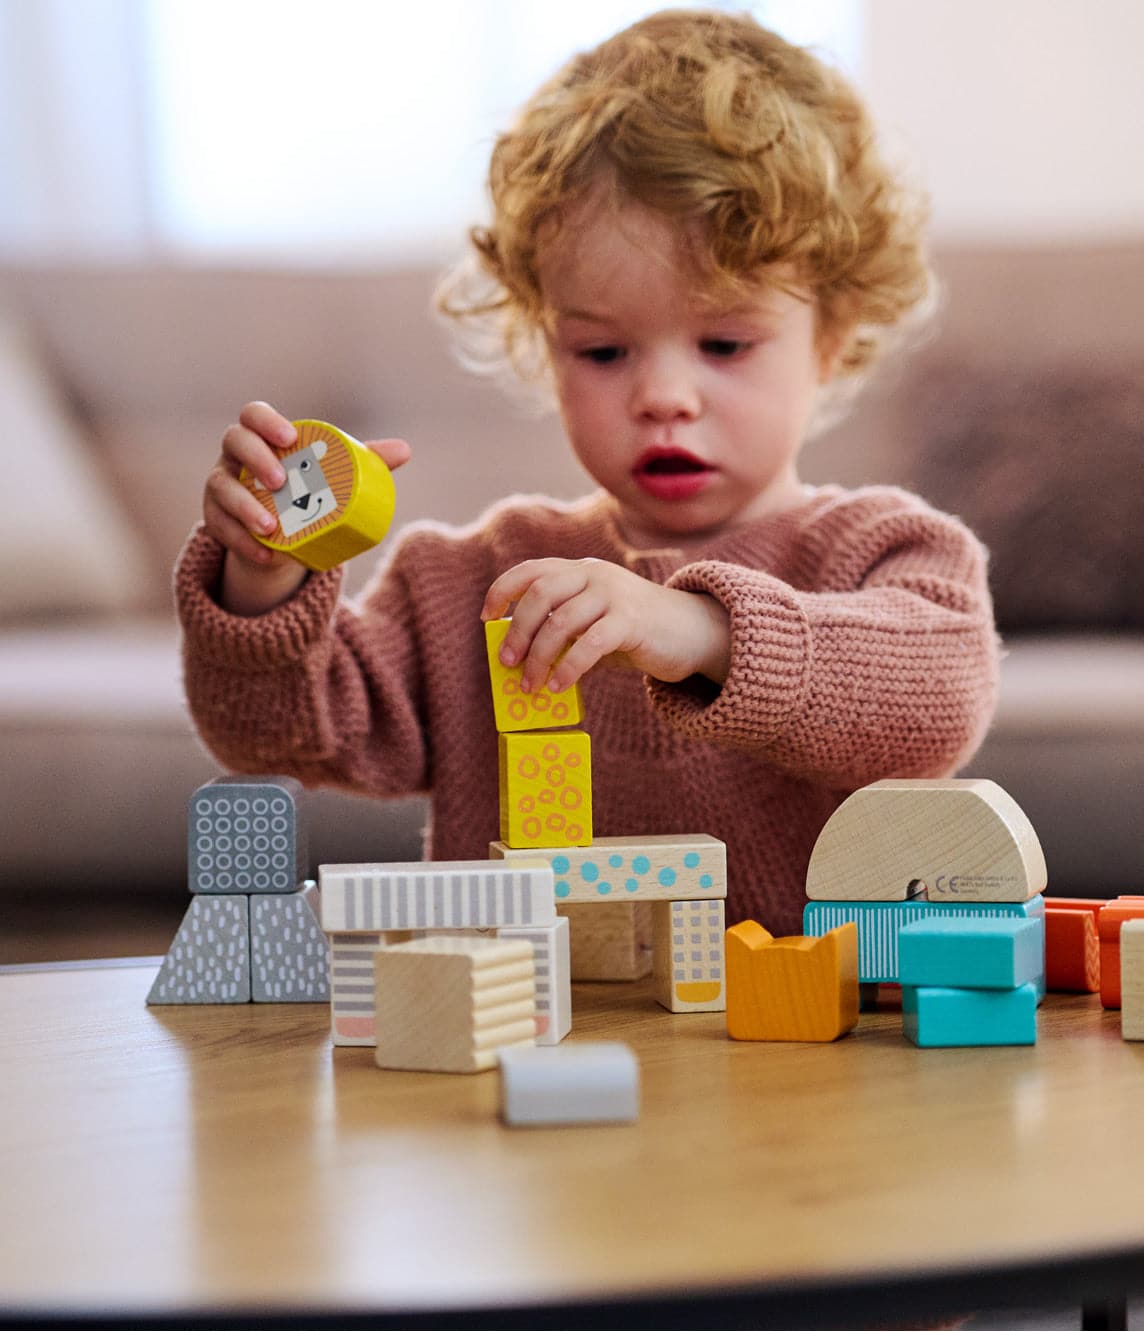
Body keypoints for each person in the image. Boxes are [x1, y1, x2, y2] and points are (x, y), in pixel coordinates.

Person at [176, 8, 999, 936]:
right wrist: (263, 574)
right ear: (546, 344)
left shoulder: (885, 552)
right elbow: (281, 733)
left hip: (796, 1049)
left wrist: (699, 630)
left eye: (724, 342)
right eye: (603, 352)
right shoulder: (471, 583)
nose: (663, 395)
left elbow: (938, 701)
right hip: (520, 1031)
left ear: (833, 340)